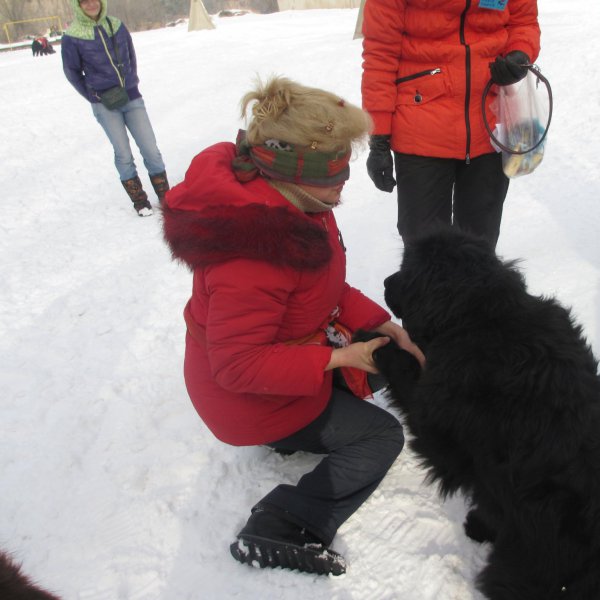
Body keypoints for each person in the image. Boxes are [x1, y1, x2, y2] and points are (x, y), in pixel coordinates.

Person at [161, 76, 425, 576]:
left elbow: (325, 289)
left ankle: (308, 416)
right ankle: (280, 524)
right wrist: (340, 357)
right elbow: (237, 366)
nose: (344, 184)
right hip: (246, 398)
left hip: (281, 359)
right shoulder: (254, 254)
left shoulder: (297, 204)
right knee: (380, 437)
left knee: (382, 357)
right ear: (294, 170)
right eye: (336, 174)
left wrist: (381, 326)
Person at [360, 0, 541, 249]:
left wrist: (520, 52)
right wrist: (378, 139)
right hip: (421, 128)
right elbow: (380, 54)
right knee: (425, 252)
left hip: (489, 125)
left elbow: (523, 22)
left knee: (479, 248)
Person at [61, 0, 168, 217]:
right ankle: (140, 201)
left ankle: (166, 198)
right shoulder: (72, 36)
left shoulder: (117, 25)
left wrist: (131, 83)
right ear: (78, 5)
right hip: (105, 104)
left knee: (150, 148)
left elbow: (131, 57)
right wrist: (94, 96)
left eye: (94, 0)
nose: (91, 4)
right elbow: (72, 73)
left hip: (131, 98)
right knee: (123, 153)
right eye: (84, 1)